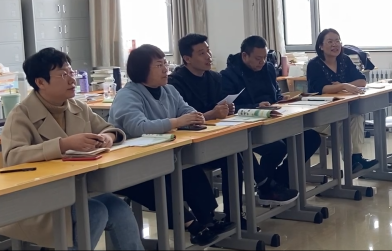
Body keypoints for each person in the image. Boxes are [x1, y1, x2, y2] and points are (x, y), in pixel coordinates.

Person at [0, 48, 144, 250]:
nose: (72, 79)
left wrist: (108, 137)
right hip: (38, 198)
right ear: (40, 82)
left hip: (76, 191)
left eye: (71, 72)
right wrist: (62, 145)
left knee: (119, 208)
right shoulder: (21, 115)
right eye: (63, 75)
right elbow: (13, 157)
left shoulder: (77, 106)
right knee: (95, 212)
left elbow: (109, 128)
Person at [109, 44, 235, 246]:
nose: (165, 69)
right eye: (159, 65)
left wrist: (195, 117)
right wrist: (177, 122)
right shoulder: (128, 94)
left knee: (189, 169)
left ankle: (208, 219)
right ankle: (192, 225)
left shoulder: (169, 90)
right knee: (160, 181)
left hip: (161, 155)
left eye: (165, 64)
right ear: (142, 70)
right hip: (131, 162)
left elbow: (188, 111)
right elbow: (137, 127)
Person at [170, 33, 298, 207]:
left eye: (208, 51)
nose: (208, 56)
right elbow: (183, 118)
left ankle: (241, 209)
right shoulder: (176, 83)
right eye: (202, 53)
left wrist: (228, 109)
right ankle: (263, 188)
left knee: (238, 149)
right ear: (187, 58)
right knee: (237, 151)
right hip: (191, 143)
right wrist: (212, 114)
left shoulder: (214, 78)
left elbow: (221, 107)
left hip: (218, 134)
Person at [220, 35, 321, 201]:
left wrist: (282, 99)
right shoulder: (229, 75)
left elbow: (275, 94)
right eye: (257, 58)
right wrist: (256, 107)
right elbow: (229, 108)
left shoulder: (268, 68)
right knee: (277, 147)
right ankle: (268, 188)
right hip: (251, 126)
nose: (262, 62)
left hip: (275, 119)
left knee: (311, 138)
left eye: (265, 57)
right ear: (245, 56)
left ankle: (277, 181)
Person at [306, 28, 378, 172]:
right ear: (321, 46)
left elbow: (362, 81)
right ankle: (351, 162)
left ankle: (356, 158)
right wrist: (344, 85)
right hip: (320, 116)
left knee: (356, 115)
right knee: (344, 119)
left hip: (340, 111)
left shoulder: (344, 60)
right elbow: (322, 89)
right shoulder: (314, 65)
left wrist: (340, 86)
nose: (335, 44)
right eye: (330, 41)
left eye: (337, 41)